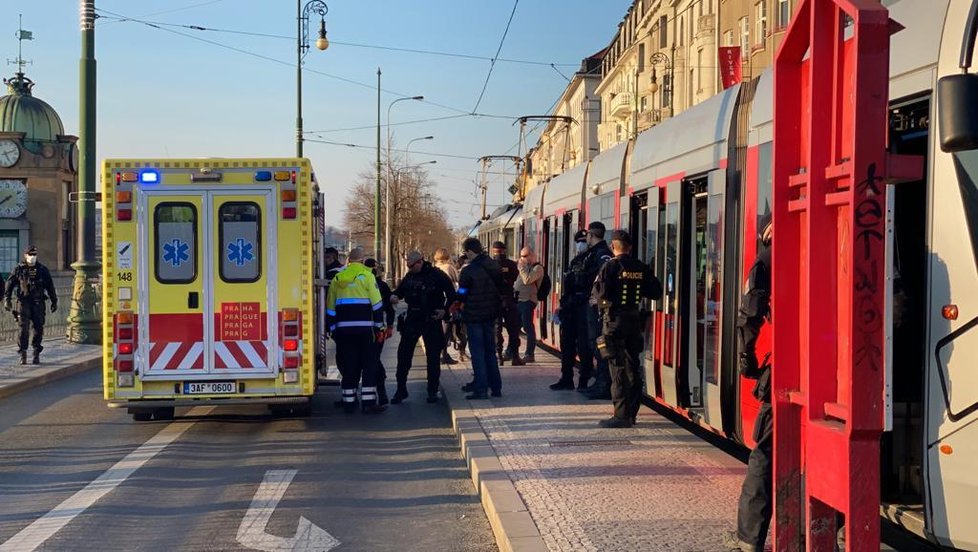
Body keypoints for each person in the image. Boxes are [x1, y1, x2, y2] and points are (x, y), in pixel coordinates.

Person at [723, 216, 773, 552]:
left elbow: (749, 313)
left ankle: (749, 538)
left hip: (788, 375)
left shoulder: (767, 258)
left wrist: (747, 360)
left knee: (765, 455)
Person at [591, 230, 662, 428]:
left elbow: (599, 294)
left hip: (614, 322)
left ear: (613, 246)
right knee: (633, 368)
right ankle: (632, 412)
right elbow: (656, 292)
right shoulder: (641, 267)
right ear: (630, 247)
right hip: (634, 321)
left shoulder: (609, 267)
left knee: (617, 368)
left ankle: (621, 415)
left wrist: (605, 306)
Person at [325, 247, 387, 414]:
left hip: (344, 332)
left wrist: (332, 329)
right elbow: (377, 305)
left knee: (349, 365)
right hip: (365, 331)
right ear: (361, 260)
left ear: (348, 261)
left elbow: (330, 308)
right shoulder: (367, 277)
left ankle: (348, 402)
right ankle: (368, 403)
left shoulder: (338, 279)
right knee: (369, 364)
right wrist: (379, 327)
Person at [390, 250, 456, 404]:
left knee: (433, 358)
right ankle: (401, 390)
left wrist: (444, 311)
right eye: (408, 266)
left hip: (431, 319)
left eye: (411, 266)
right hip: (413, 318)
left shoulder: (437, 275)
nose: (409, 269)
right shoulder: (410, 276)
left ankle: (432, 391)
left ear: (420, 262)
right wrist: (394, 296)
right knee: (403, 356)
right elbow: (399, 292)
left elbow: (452, 295)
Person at [455, 238, 503, 400]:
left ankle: (481, 389)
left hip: (474, 315)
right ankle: (496, 387)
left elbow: (462, 293)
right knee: (490, 351)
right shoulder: (494, 266)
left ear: (469, 252)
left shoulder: (468, 271)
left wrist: (458, 303)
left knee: (477, 352)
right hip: (491, 314)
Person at [552, 230, 595, 390]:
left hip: (584, 310)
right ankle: (566, 378)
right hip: (570, 310)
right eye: (579, 241)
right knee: (567, 345)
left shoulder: (592, 260)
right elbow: (568, 287)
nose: (581, 244)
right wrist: (562, 305)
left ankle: (583, 380)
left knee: (584, 347)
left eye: (584, 241)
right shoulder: (574, 261)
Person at [4, 245, 57, 365]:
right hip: (23, 302)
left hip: (38, 302)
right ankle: (23, 352)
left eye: (34, 255)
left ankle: (36, 352)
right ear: (25, 255)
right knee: (23, 328)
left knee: (38, 327)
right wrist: (7, 299)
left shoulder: (42, 270)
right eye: (30, 255)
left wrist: (54, 301)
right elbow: (10, 283)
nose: (32, 257)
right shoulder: (19, 269)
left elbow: (50, 286)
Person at [580, 222, 614, 400]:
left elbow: (606, 279)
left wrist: (600, 299)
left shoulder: (603, 255)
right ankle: (600, 382)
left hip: (597, 308)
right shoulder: (595, 253)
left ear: (591, 235)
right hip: (594, 305)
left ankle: (604, 384)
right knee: (595, 344)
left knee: (599, 344)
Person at [364, 258, 395, 406]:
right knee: (374, 360)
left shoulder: (360, 283)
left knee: (372, 360)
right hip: (376, 329)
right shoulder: (380, 285)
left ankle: (379, 394)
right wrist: (388, 326)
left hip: (366, 330)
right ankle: (380, 393)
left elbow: (389, 308)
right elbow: (389, 308)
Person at [491, 241, 524, 366]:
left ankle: (499, 356)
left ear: (493, 251)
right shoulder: (511, 264)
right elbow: (516, 278)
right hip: (509, 300)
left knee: (497, 329)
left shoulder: (489, 265)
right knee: (513, 329)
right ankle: (515, 356)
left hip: (494, 301)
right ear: (504, 250)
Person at [515, 247, 544, 363]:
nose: (523, 259)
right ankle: (511, 351)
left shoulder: (537, 268)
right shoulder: (525, 267)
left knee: (528, 327)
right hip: (519, 301)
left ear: (532, 255)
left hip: (528, 301)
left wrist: (522, 267)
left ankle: (530, 354)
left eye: (525, 256)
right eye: (521, 256)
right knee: (515, 327)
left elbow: (527, 279)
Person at [433, 247, 460, 365]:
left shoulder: (434, 268)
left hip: (438, 301)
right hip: (448, 301)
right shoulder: (449, 267)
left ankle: (440, 353)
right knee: (447, 328)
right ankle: (444, 354)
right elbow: (458, 280)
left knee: (440, 328)